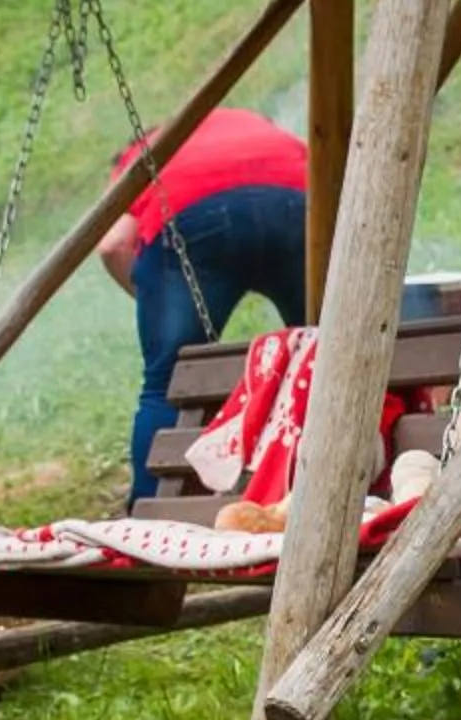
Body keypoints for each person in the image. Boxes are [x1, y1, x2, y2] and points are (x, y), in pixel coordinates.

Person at [98, 106, 310, 505]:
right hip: (294, 201)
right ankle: (349, 487)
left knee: (167, 382)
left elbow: (112, 245)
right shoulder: (251, 123)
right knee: (327, 353)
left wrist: (155, 299)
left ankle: (152, 507)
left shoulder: (142, 153)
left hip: (193, 215)